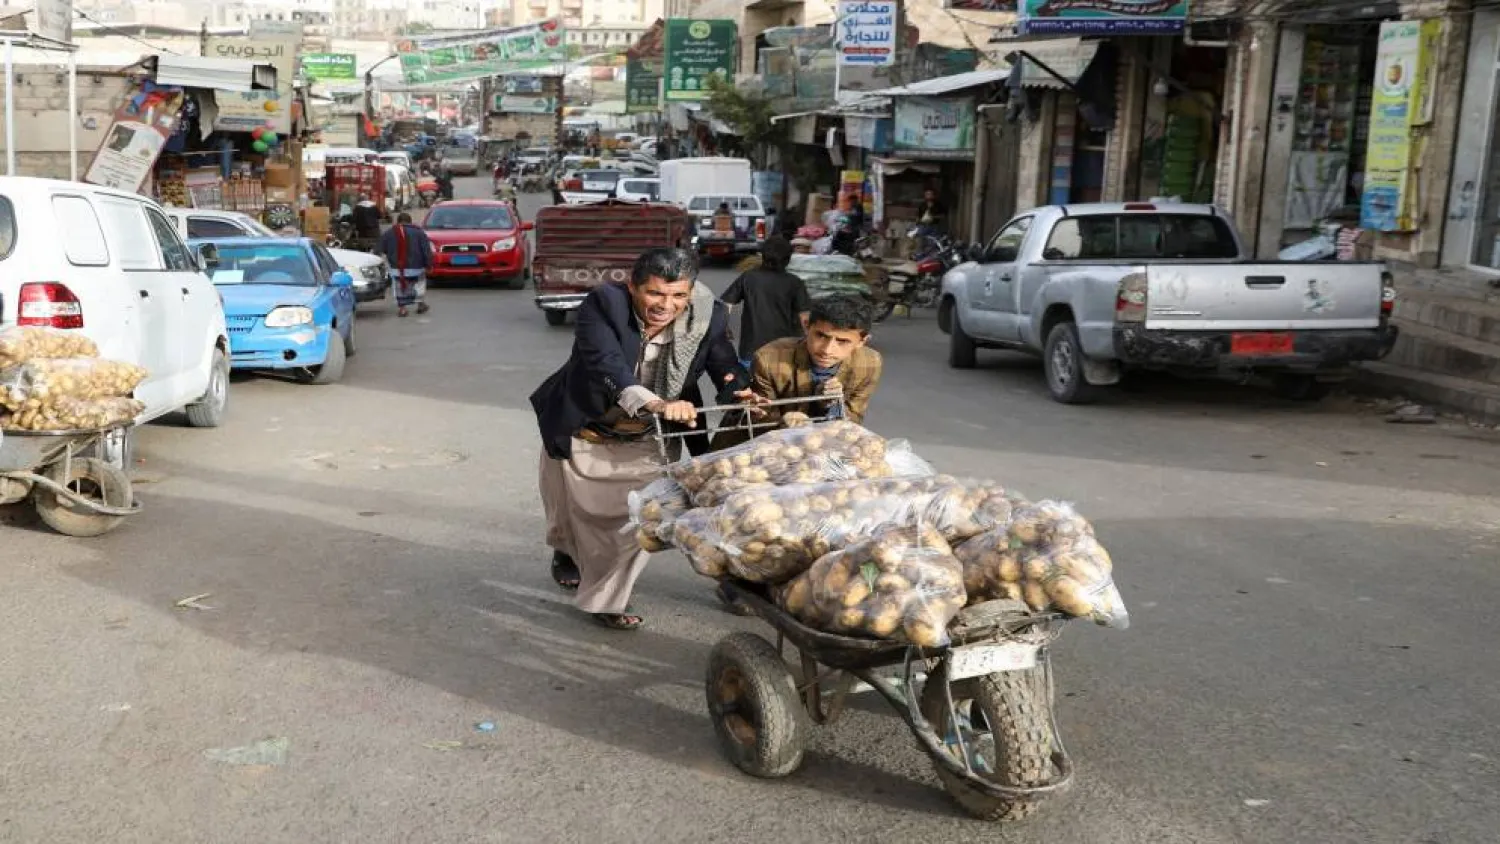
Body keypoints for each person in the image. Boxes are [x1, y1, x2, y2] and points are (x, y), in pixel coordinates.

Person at [531, 248, 755, 630]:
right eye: (655, 294)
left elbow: (724, 364)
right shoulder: (604, 303)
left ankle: (606, 600)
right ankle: (565, 553)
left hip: (648, 439)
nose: (666, 306)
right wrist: (655, 402)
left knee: (637, 524)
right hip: (583, 426)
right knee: (569, 514)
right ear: (633, 286)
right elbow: (605, 363)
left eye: (678, 296)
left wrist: (739, 391)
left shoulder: (708, 315)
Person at [709, 296, 882, 612]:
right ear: (808, 327)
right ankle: (735, 579)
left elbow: (854, 421)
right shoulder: (772, 357)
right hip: (758, 447)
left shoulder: (869, 364)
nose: (828, 348)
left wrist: (833, 405)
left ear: (861, 341)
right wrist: (783, 422)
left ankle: (793, 581)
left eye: (842, 341)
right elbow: (757, 414)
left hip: (819, 451)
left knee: (815, 518)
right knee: (750, 519)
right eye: (821, 335)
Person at [720, 235, 810, 370]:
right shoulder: (794, 282)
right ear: (788, 259)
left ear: (762, 255)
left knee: (749, 389)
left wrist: (724, 327)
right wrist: (810, 342)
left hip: (750, 352)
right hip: (784, 352)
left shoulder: (748, 277)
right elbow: (805, 318)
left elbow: (726, 303)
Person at [377, 212, 434, 317]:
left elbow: (381, 249)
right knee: (418, 285)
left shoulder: (389, 233)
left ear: (397, 221)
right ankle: (420, 304)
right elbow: (426, 250)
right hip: (417, 267)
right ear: (410, 221)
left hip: (397, 268)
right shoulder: (419, 232)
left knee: (399, 286)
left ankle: (402, 309)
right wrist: (429, 265)